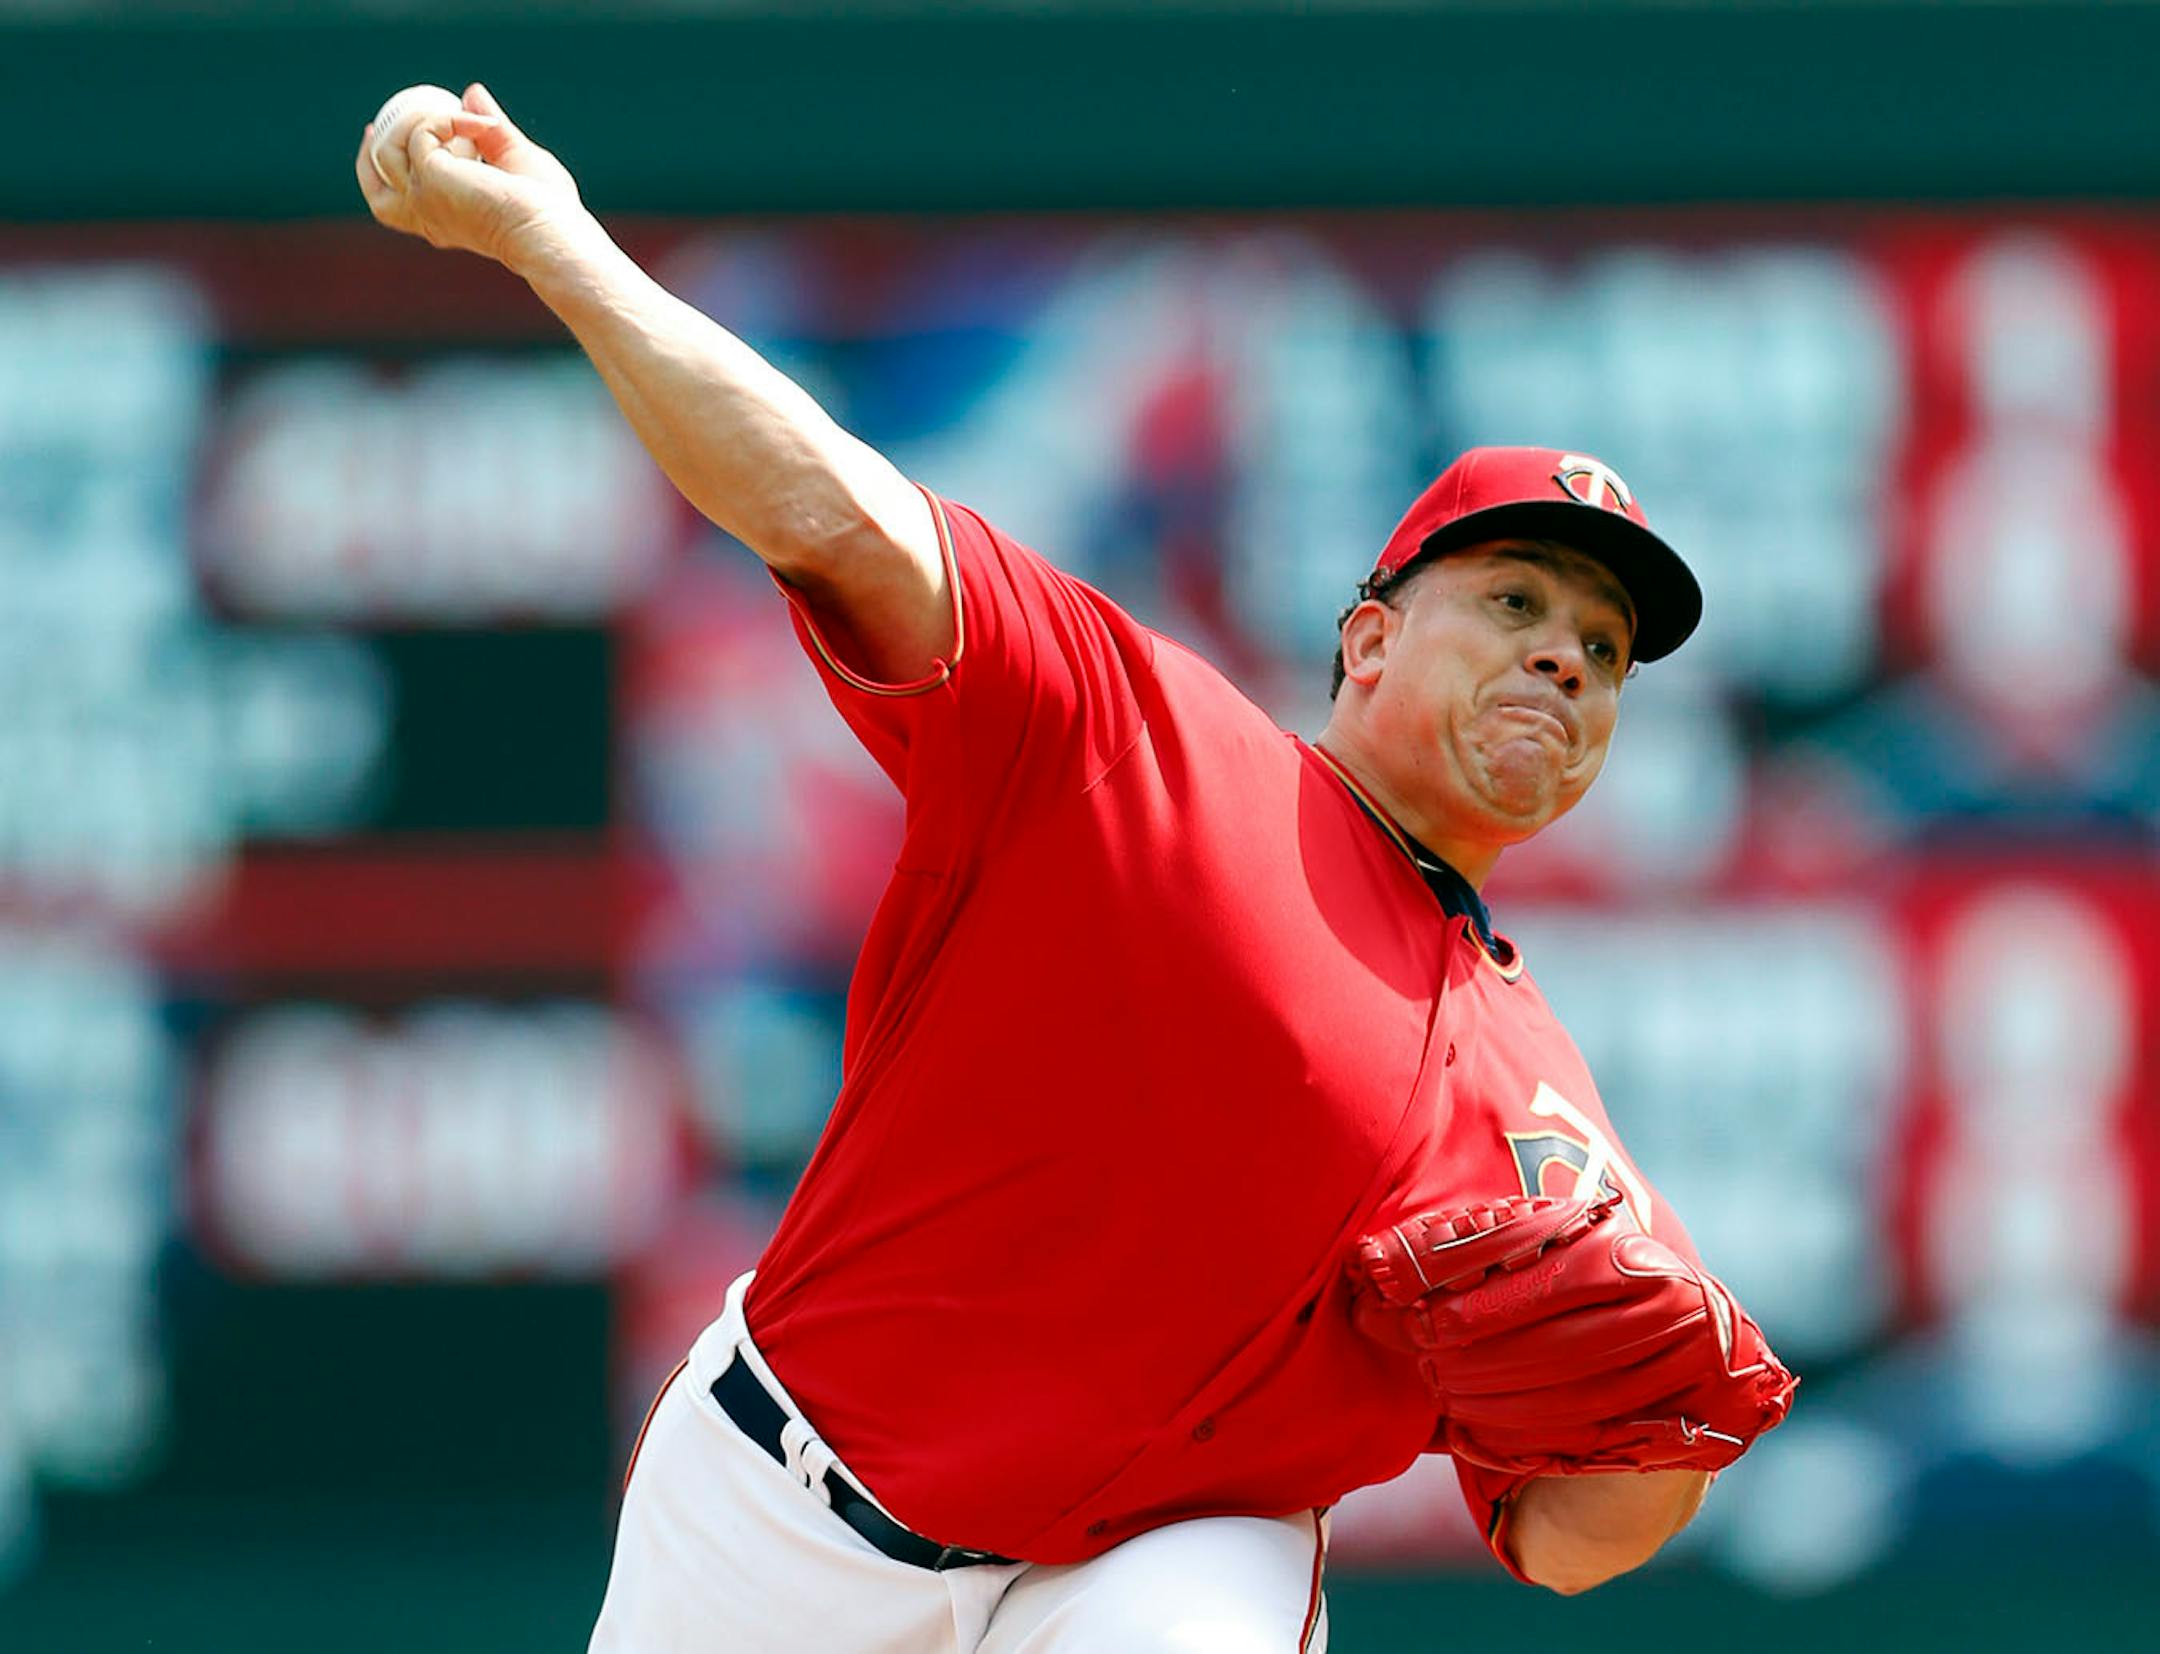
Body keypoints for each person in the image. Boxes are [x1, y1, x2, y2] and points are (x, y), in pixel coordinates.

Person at [357, 84, 1790, 1651]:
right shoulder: (1137, 735)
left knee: (1221, 1579)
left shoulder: (1549, 1119)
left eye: (1601, 649)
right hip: (783, 1509)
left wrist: (1666, 1450)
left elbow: (1581, 1534)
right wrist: (558, 240)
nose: (1565, 659)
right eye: (1515, 601)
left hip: (1155, 1563)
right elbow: (824, 506)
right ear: (1367, 637)